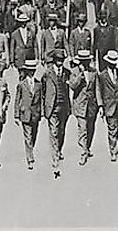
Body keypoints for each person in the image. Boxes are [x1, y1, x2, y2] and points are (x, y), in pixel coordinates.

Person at [41, 49, 71, 178]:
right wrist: (44, 108)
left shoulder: (66, 73)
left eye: (62, 60)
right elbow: (43, 92)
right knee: (53, 132)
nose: (60, 62)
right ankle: (55, 158)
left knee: (61, 131)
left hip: (64, 106)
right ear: (54, 60)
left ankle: (58, 150)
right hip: (52, 107)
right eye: (58, 60)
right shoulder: (47, 73)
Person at [69, 49, 99, 165]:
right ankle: (83, 152)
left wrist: (100, 105)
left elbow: (97, 89)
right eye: (83, 61)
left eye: (87, 61)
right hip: (80, 104)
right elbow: (72, 86)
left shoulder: (93, 72)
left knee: (90, 128)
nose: (85, 63)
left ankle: (87, 147)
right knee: (82, 129)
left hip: (92, 104)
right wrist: (80, 76)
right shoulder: (74, 71)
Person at [97, 50, 118, 162]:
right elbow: (99, 91)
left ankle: (114, 143)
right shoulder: (102, 75)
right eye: (111, 62)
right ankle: (113, 150)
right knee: (112, 129)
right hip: (109, 106)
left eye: (115, 62)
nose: (114, 64)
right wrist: (100, 106)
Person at [14, 59, 42, 171]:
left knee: (34, 135)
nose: (31, 72)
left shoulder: (38, 84)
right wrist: (16, 115)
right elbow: (17, 100)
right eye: (29, 71)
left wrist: (42, 113)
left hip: (35, 114)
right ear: (26, 71)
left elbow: (41, 99)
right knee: (28, 137)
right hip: (25, 113)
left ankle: (31, 150)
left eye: (33, 70)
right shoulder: (21, 84)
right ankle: (30, 159)